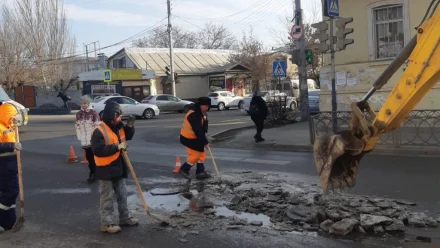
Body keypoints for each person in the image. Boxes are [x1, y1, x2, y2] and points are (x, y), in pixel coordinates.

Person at [91, 100, 138, 234]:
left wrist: (130, 126)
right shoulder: (99, 131)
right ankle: (106, 224)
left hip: (119, 166)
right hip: (105, 169)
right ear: (112, 115)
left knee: (122, 195)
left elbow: (127, 137)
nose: (120, 118)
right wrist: (116, 147)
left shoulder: (118, 127)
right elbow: (98, 150)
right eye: (118, 115)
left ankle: (124, 218)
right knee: (107, 198)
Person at [0, 102, 22, 232]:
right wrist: (12, 146)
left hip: (10, 164)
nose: (14, 118)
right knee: (11, 191)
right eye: (12, 116)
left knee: (9, 194)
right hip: (2, 164)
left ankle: (9, 223)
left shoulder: (8, 126)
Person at [179, 97, 211, 180]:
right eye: (205, 106)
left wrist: (205, 118)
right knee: (195, 155)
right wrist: (205, 142)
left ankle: (200, 172)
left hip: (195, 137)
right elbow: (198, 130)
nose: (206, 108)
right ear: (200, 105)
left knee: (202, 153)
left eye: (208, 106)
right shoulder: (194, 114)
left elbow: (203, 129)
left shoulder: (202, 113)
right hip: (188, 138)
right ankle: (184, 169)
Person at [76, 96, 100, 183]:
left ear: (88, 104)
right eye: (82, 103)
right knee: (89, 158)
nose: (84, 105)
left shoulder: (93, 113)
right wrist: (80, 137)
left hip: (92, 139)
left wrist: (95, 138)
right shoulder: (79, 114)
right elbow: (77, 126)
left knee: (94, 157)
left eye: (85, 103)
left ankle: (95, 173)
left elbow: (97, 126)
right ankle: (93, 172)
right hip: (84, 140)